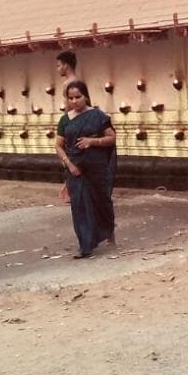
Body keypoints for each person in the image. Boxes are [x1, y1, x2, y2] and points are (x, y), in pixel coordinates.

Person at [55, 80, 116, 258]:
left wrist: (92, 141)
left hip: (96, 168)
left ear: (86, 96)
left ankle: (107, 230)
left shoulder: (98, 116)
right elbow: (58, 146)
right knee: (79, 206)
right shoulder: (65, 120)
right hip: (75, 168)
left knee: (101, 201)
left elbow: (111, 138)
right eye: (70, 98)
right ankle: (86, 245)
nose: (74, 101)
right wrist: (69, 164)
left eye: (78, 97)